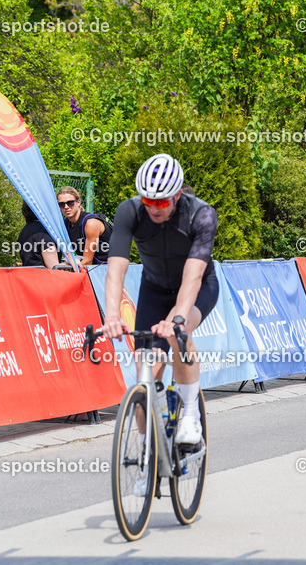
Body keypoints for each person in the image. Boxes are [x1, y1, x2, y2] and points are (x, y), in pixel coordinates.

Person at [101, 153, 217, 459]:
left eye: (162, 202)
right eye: (147, 200)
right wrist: (112, 315)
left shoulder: (202, 215)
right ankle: (144, 455)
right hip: (154, 288)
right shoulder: (129, 211)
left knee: (179, 333)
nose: (154, 207)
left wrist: (176, 318)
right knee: (146, 375)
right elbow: (116, 269)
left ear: (177, 196)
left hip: (198, 287)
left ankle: (190, 415)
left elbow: (192, 278)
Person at [57, 186, 112, 265]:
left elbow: (88, 261)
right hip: (93, 268)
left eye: (70, 203)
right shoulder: (65, 224)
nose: (66, 207)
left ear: (78, 202)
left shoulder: (91, 223)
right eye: (62, 204)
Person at [16, 201, 59, 268]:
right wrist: (69, 263)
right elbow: (54, 268)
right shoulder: (44, 232)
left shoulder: (24, 231)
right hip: (44, 276)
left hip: (29, 276)